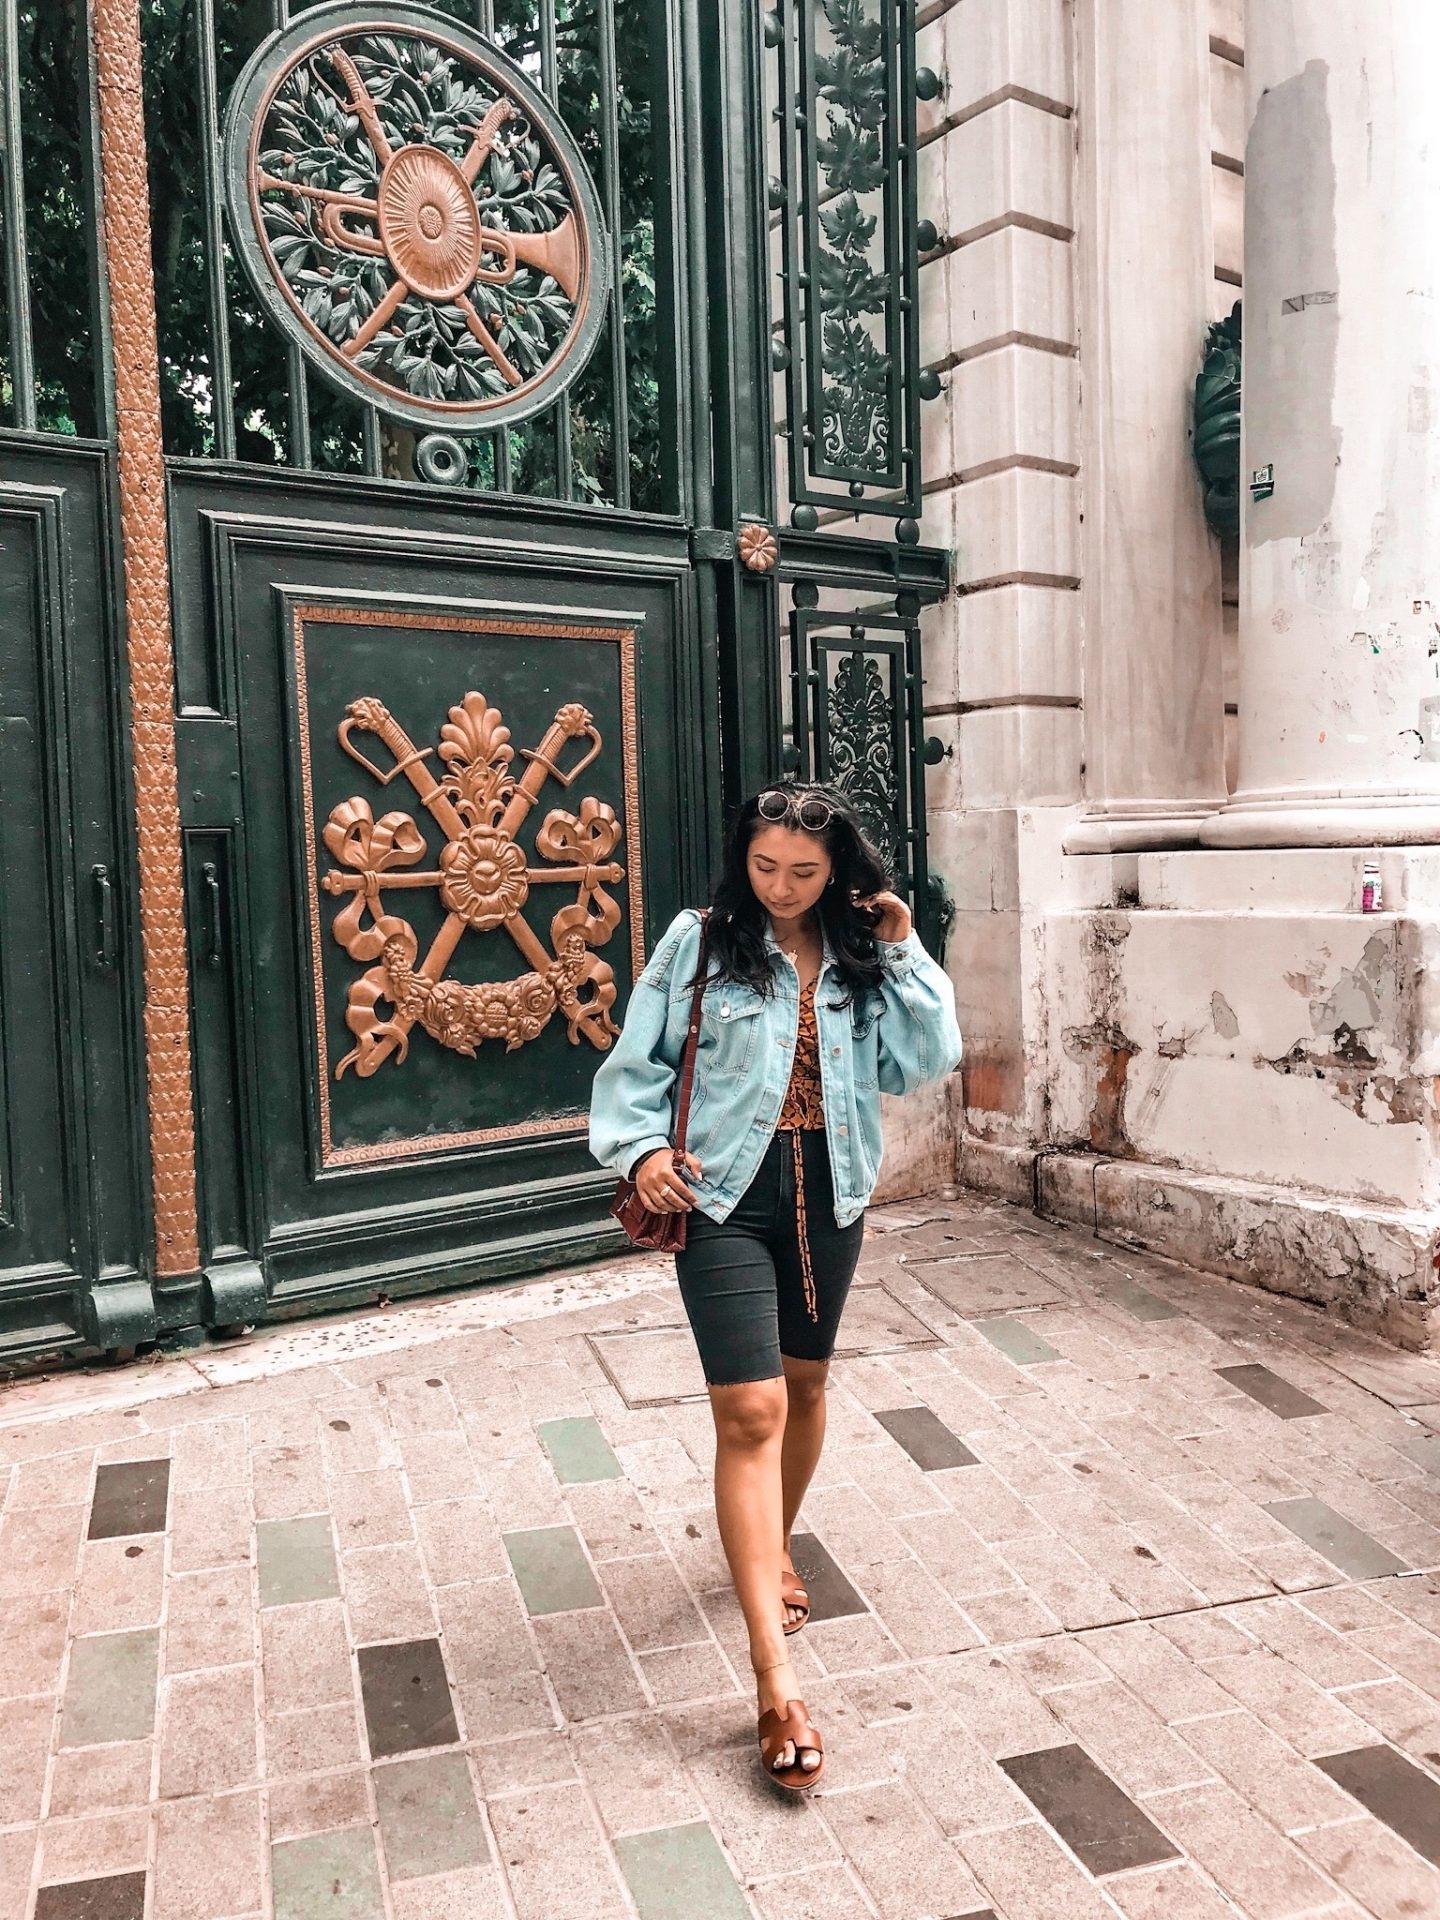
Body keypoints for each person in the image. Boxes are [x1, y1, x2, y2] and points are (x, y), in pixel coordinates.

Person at [589, 783, 962, 1792]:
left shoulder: (858, 953)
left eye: (804, 872)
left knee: (803, 1389)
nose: (783, 888)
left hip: (830, 1195)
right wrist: (637, 1157)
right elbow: (635, 1070)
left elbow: (928, 1060)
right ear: (740, 860)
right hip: (722, 1202)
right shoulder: (697, 944)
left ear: (837, 868)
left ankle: (772, 1547)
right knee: (749, 1412)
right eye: (765, 868)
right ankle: (774, 1679)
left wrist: (905, 948)